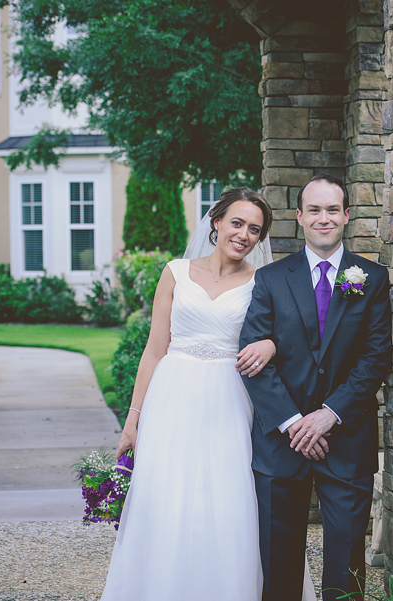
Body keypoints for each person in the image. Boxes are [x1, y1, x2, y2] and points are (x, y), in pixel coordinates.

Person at [100, 188, 316, 601]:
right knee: (165, 496)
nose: (244, 234)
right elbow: (154, 347)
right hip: (172, 393)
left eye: (255, 229)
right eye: (237, 223)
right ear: (216, 222)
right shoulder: (175, 272)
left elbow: (291, 336)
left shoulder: (263, 280)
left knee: (229, 498)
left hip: (230, 395)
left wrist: (270, 345)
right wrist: (134, 417)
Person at [240, 174, 392, 601]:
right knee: (279, 564)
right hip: (280, 442)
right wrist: (293, 423)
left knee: (346, 563)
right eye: (314, 210)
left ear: (346, 215)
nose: (323, 218)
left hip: (346, 437)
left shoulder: (372, 278)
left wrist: (329, 414)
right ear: (299, 217)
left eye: (332, 210)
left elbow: (376, 357)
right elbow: (252, 359)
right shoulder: (270, 279)